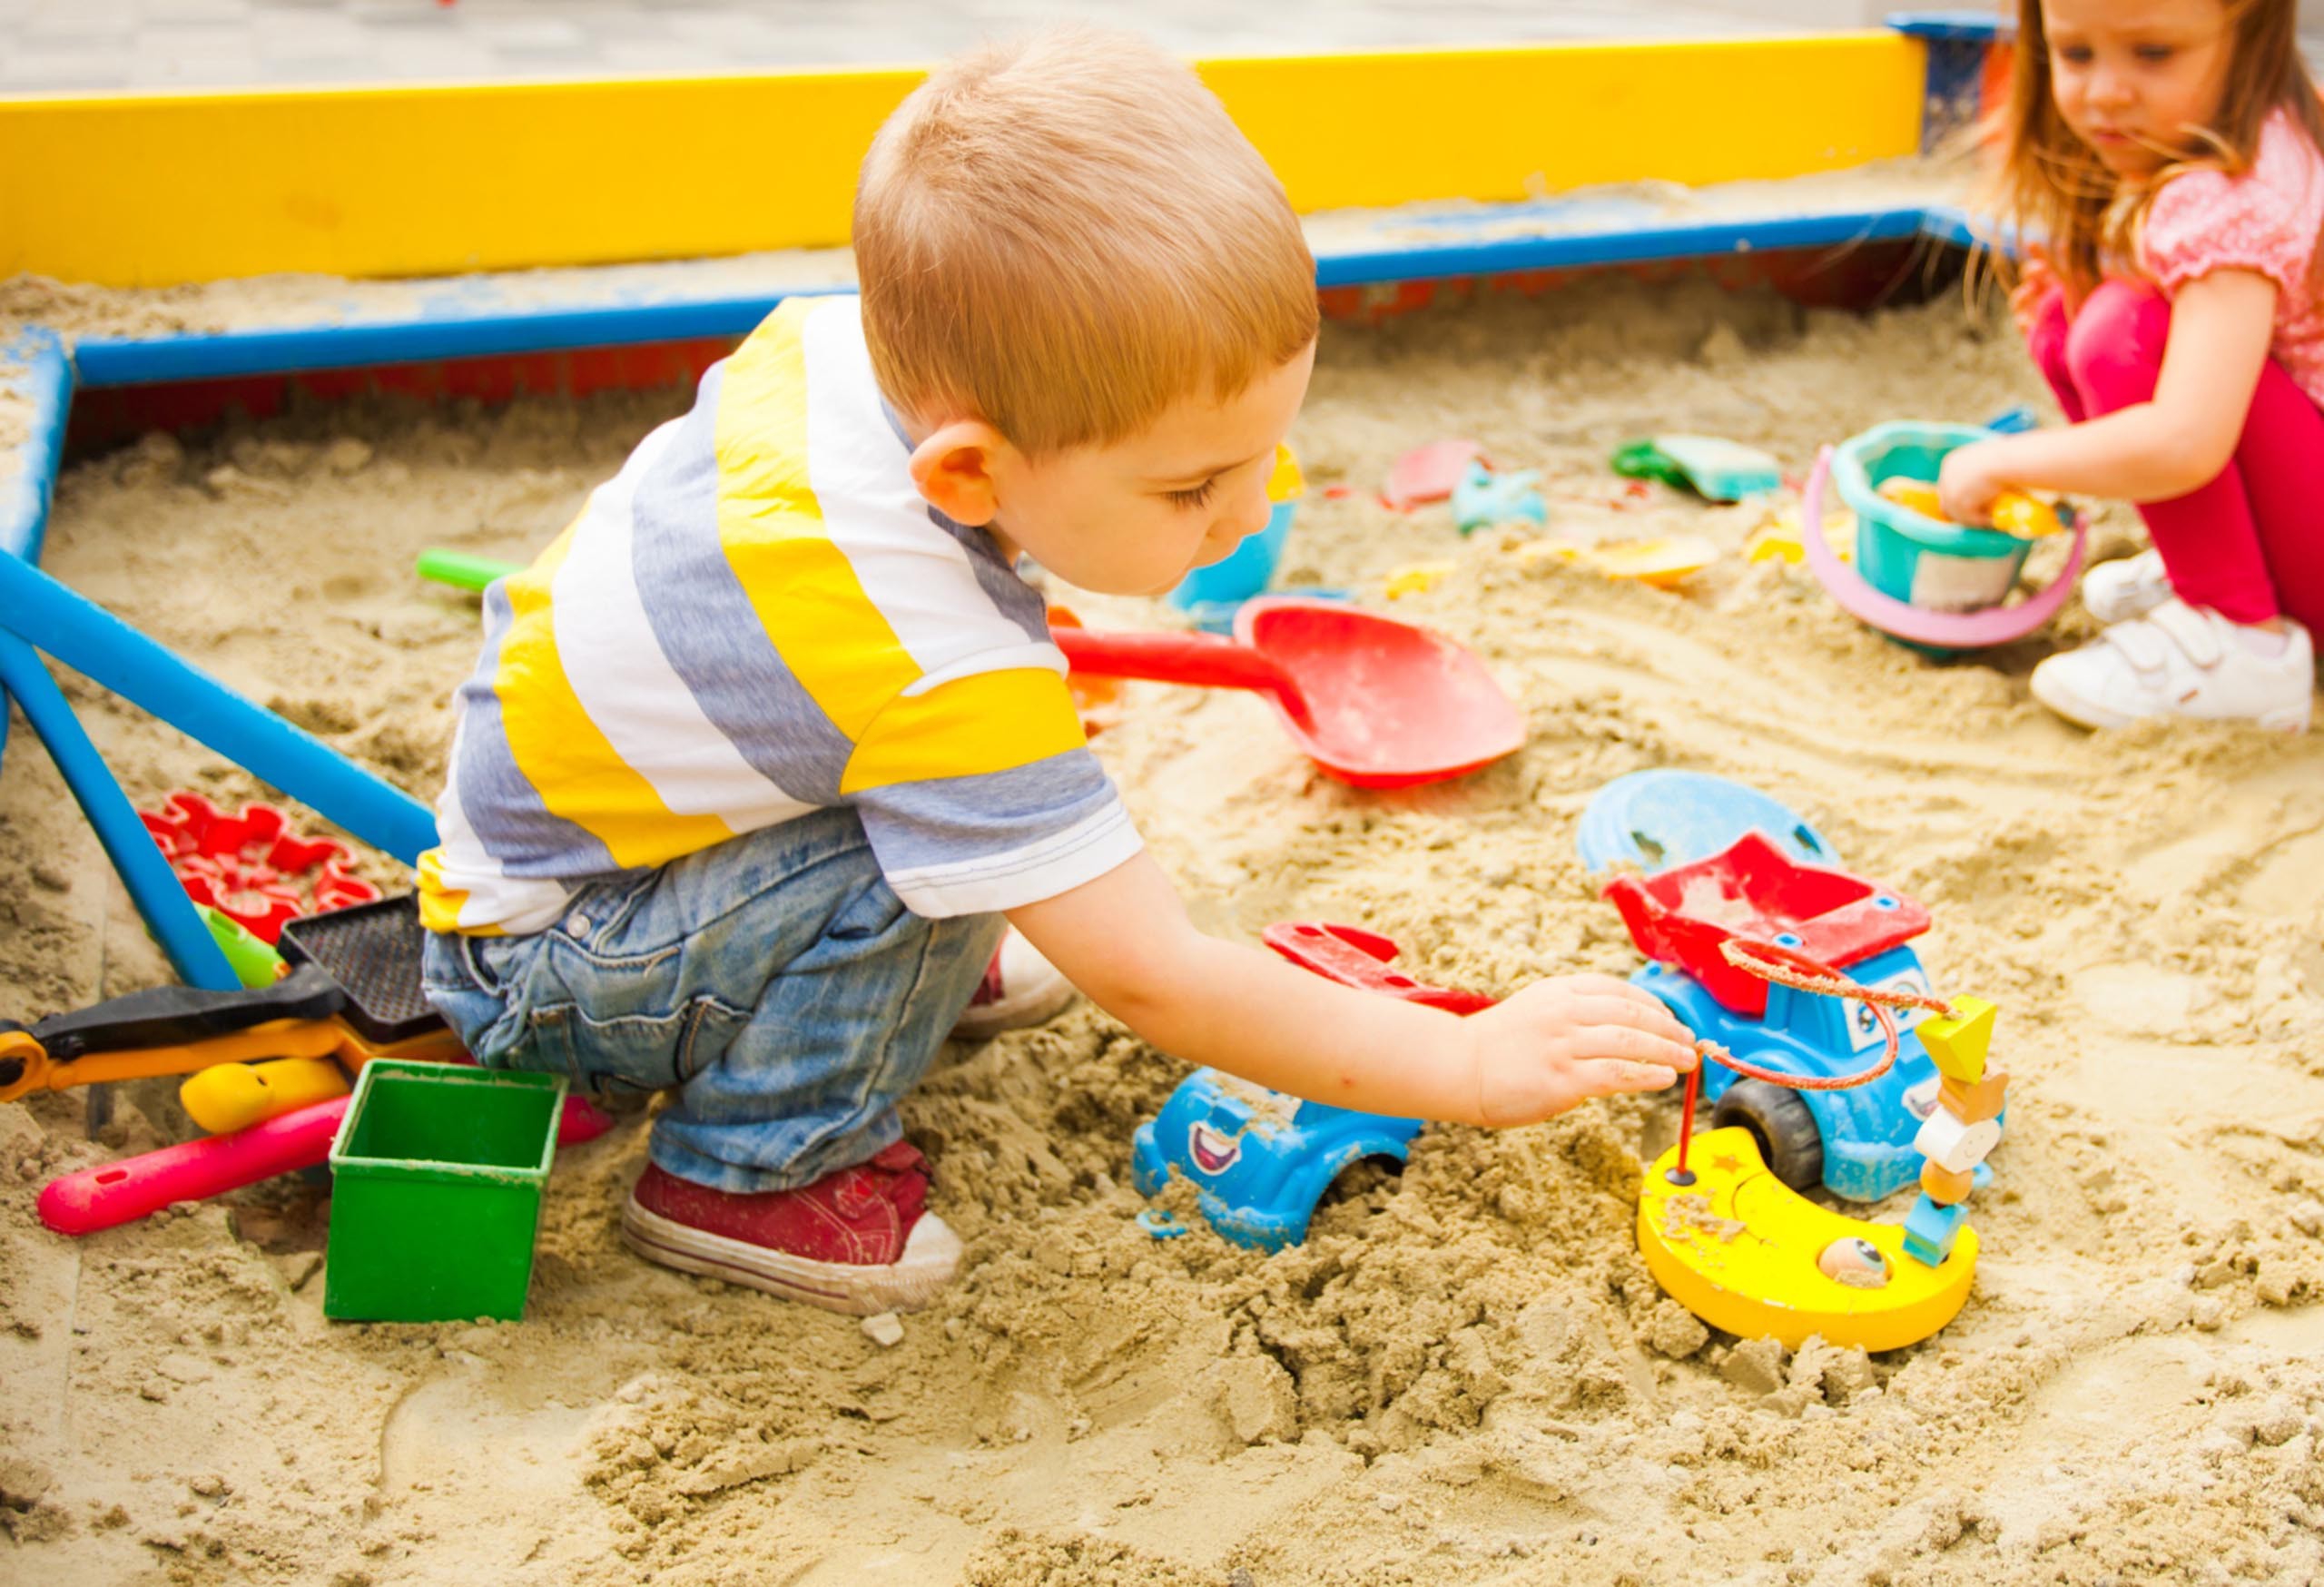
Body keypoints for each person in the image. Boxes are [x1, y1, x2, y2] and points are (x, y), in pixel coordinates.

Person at [418, 27, 1697, 1316]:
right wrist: (1468, 1062)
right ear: (967, 476)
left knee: (973, 810)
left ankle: (870, 969)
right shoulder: (938, 671)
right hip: (556, 974)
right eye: (1194, 485)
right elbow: (1160, 979)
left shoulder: (836, 346)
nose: (1249, 517)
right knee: (963, 829)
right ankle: (747, 1172)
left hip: (586, 834)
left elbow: (801, 648)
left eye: (1264, 455)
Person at [1939, 0, 2322, 732]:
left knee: (2123, 331)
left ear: (2252, 37)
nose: (2105, 92)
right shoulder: (2268, 127)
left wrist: (2005, 462)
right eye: (2077, 55)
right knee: (2068, 317)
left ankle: (2241, 641)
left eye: (2152, 54)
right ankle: (2223, 573)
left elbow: (2185, 441)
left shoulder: (2227, 197)